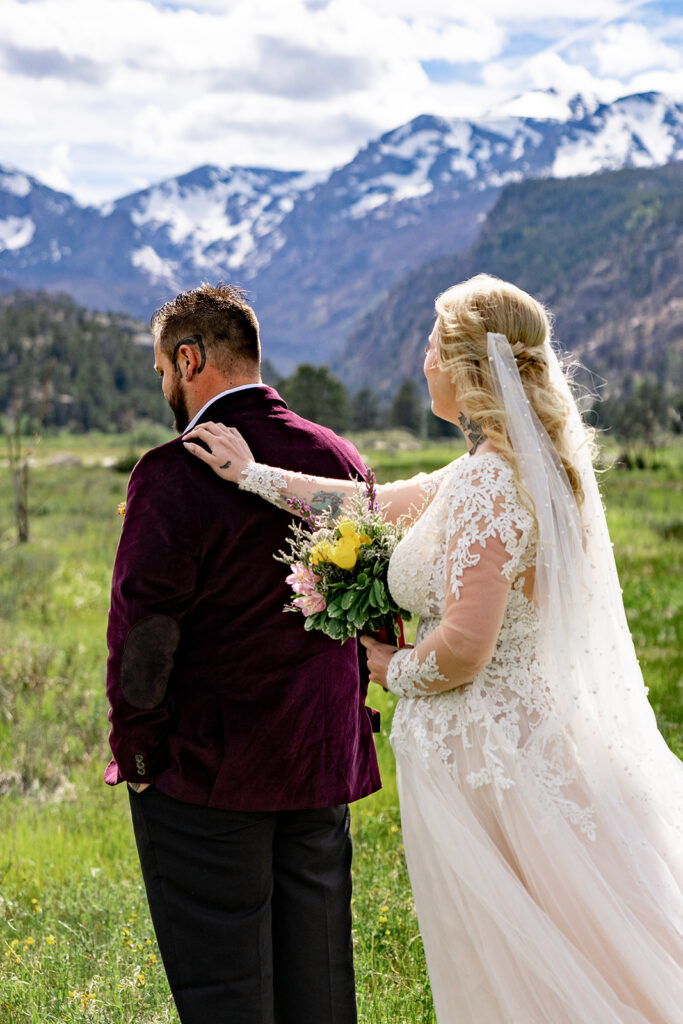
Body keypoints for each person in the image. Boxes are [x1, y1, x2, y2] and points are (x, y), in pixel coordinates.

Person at [183, 274, 683, 1023]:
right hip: (509, 746)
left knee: (521, 966)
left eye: (429, 349)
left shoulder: (489, 482)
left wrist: (384, 669)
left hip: (492, 763)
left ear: (465, 366)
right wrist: (253, 474)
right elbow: (374, 504)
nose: (421, 364)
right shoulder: (509, 467)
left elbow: (463, 650)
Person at [105, 283, 381, 1024]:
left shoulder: (172, 470)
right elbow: (366, 610)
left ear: (189, 358)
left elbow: (147, 635)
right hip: (320, 761)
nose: (164, 384)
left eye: (165, 368)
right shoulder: (340, 460)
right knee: (320, 989)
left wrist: (136, 755)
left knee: (226, 993)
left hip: (206, 774)